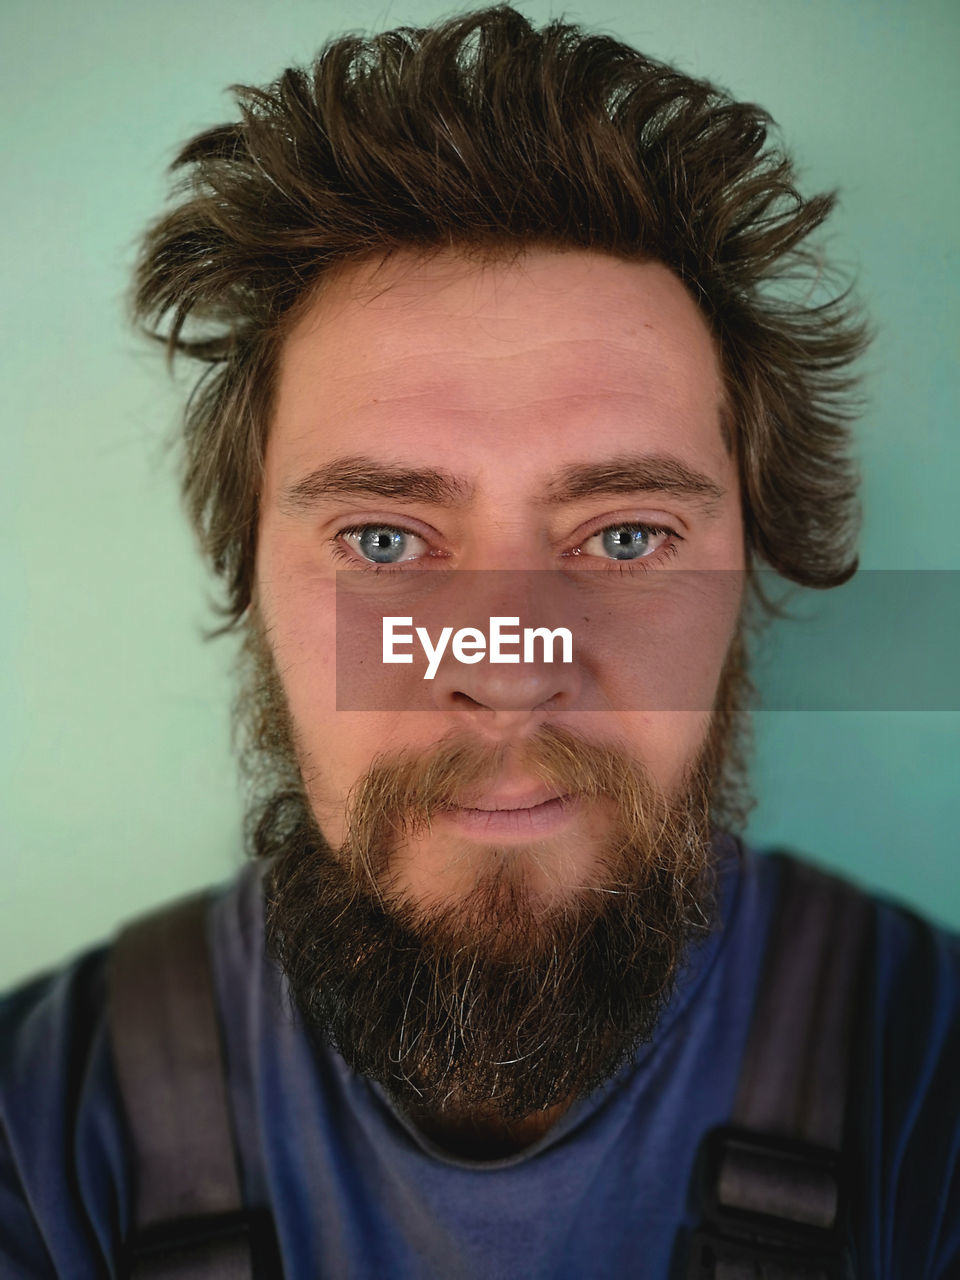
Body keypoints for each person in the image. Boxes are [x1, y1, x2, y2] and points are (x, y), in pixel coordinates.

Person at [1, 6, 957, 1277]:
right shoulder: (41, 1129)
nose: (507, 668)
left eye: (624, 537)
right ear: (253, 579)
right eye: (386, 541)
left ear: (752, 574)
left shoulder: (927, 1081)